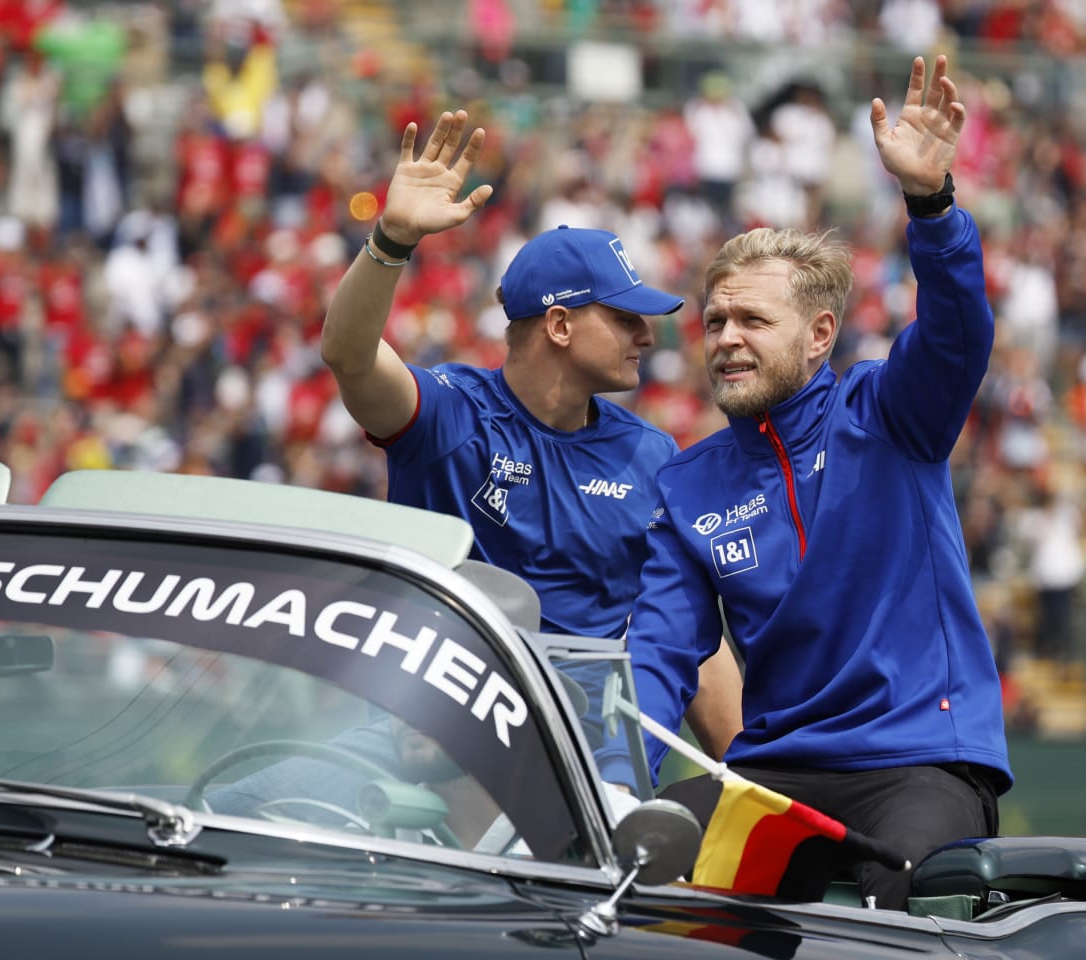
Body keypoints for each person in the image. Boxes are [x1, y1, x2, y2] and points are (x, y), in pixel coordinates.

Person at [606, 55, 1012, 911]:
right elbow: (658, 657)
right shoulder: (689, 485)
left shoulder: (890, 414)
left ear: (820, 334)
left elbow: (955, 336)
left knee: (908, 914)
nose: (725, 339)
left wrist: (931, 206)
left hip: (917, 761)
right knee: (632, 891)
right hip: (772, 774)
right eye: (714, 321)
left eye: (753, 320)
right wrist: (611, 784)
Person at [316, 111, 742, 757]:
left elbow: (687, 634)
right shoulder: (452, 417)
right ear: (561, 326)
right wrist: (391, 240)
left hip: (577, 770)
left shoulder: (651, 454)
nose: (648, 336)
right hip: (437, 744)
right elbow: (349, 354)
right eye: (626, 318)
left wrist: (744, 781)